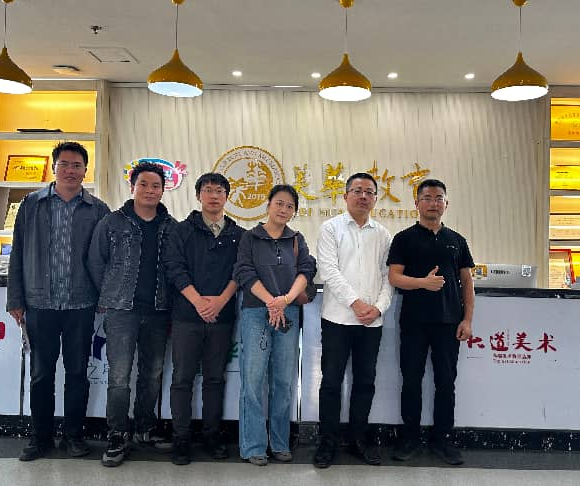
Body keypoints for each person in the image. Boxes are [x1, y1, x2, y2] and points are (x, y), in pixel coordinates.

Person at [6, 141, 110, 461]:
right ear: (54, 168)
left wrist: (104, 295)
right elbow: (18, 252)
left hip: (81, 304)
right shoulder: (32, 204)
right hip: (40, 303)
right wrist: (16, 298)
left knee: (77, 373)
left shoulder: (98, 209)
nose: (70, 170)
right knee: (41, 374)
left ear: (85, 170)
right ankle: (40, 438)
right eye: (64, 164)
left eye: (77, 165)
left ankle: (74, 436)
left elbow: (107, 258)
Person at [87, 162, 175, 467]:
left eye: (155, 186)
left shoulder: (171, 226)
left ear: (163, 190)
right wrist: (108, 295)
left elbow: (176, 268)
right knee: (119, 377)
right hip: (121, 311)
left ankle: (144, 428)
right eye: (144, 185)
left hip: (159, 310)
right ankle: (117, 433)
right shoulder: (113, 222)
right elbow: (96, 261)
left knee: (152, 373)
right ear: (133, 187)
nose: (149, 191)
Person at [387, 178, 474, 466]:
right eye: (427, 198)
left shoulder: (457, 241)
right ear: (417, 203)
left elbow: (467, 283)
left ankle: (442, 440)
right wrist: (423, 283)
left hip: (449, 323)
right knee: (411, 381)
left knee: (446, 382)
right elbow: (394, 277)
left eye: (438, 198)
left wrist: (467, 319)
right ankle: (410, 438)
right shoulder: (404, 239)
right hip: (414, 322)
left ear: (446, 204)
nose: (433, 203)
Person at [163, 173, 244, 466]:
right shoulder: (181, 230)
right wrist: (198, 301)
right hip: (186, 316)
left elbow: (240, 271)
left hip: (222, 317)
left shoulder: (239, 234)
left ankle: (212, 436)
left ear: (227, 197)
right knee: (182, 379)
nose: (214, 196)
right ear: (198, 195)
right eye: (208, 190)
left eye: (219, 191)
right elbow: (174, 268)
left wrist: (220, 301)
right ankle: (181, 439)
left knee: (214, 379)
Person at [313, 172, 392, 469]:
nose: (363, 196)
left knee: (365, 382)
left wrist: (379, 308)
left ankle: (359, 440)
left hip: (371, 323)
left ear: (375, 199)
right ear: (345, 196)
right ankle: (327, 443)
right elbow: (329, 271)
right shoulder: (330, 228)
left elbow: (388, 277)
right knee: (331, 383)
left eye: (369, 192)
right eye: (357, 191)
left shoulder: (383, 234)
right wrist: (356, 303)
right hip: (337, 319)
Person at [233, 185, 316, 466]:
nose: (284, 209)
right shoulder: (250, 237)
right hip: (257, 313)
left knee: (283, 381)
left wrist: (285, 300)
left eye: (290, 206)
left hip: (288, 313)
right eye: (279, 203)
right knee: (253, 381)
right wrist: (271, 301)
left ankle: (280, 442)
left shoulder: (297, 239)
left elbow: (306, 271)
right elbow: (243, 272)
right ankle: (254, 445)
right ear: (268, 204)